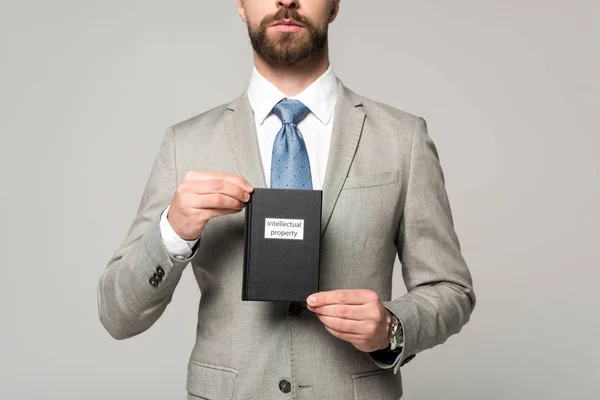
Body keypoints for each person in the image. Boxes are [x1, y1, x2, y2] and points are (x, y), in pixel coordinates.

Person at [97, 1, 476, 399]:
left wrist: (392, 327)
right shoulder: (186, 144)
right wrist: (173, 232)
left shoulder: (402, 139)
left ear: (334, 5)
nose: (286, 1)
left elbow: (450, 289)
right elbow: (118, 315)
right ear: (241, 6)